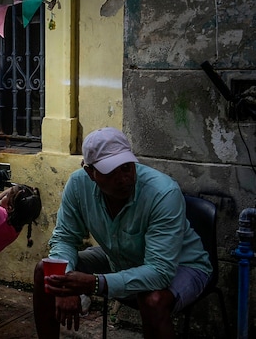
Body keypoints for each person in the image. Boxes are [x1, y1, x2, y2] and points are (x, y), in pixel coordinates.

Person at [32, 127, 212, 339]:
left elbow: (160, 272)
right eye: (111, 172)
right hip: (118, 258)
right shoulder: (78, 184)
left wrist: (94, 282)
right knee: (46, 271)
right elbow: (64, 238)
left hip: (182, 264)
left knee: (152, 300)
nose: (123, 178)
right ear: (91, 173)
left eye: (126, 167)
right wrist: (65, 281)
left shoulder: (163, 192)